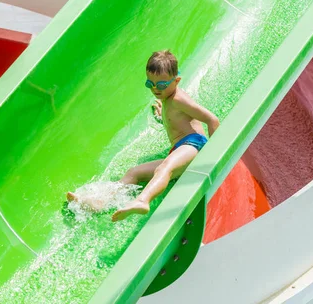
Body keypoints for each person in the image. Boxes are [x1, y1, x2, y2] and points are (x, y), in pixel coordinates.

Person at [68, 50, 219, 221]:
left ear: (176, 81)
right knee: (134, 173)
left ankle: (142, 201)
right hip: (180, 149)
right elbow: (180, 122)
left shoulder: (178, 99)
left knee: (165, 167)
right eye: (150, 84)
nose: (155, 89)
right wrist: (164, 117)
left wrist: (212, 159)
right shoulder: (169, 100)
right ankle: (100, 202)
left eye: (161, 85)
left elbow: (212, 120)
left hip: (194, 145)